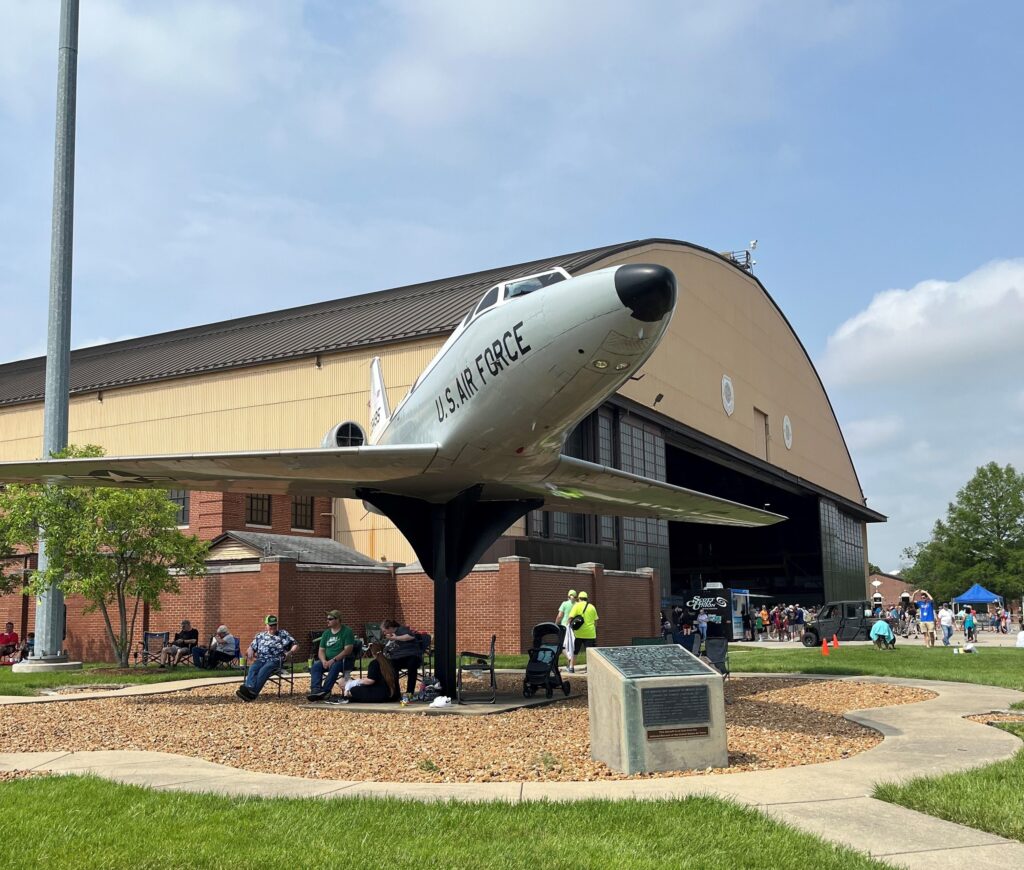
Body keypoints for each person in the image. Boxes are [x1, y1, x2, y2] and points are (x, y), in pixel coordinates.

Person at [236, 615, 298, 702]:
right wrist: (250, 649)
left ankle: (253, 693)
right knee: (253, 668)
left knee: (264, 669)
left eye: (275, 625)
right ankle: (249, 688)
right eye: (271, 625)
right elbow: (251, 648)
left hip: (276, 659)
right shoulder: (260, 636)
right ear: (266, 625)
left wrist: (290, 652)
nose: (273, 627)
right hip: (261, 659)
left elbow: (295, 645)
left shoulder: (283, 634)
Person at [308, 610, 355, 701]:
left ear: (338, 620)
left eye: (330, 619)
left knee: (335, 665)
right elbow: (321, 650)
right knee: (316, 666)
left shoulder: (347, 631)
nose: (327, 621)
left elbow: (347, 650)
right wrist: (323, 661)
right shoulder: (326, 633)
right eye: (327, 619)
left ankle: (325, 691)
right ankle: (316, 690)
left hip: (344, 661)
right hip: (328, 660)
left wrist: (333, 660)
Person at [382, 619, 422, 694]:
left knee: (412, 664)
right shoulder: (390, 636)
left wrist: (396, 638)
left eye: (384, 631)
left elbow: (410, 636)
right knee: (391, 665)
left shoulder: (402, 629)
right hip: (398, 657)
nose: (384, 633)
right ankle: (396, 693)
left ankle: (409, 692)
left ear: (390, 628)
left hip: (411, 655)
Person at [566, 590, 598, 671]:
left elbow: (570, 618)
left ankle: (571, 667)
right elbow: (596, 621)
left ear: (579, 598)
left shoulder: (576, 606)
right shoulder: (592, 607)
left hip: (578, 634)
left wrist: (567, 627)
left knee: (575, 651)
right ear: (586, 598)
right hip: (590, 634)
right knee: (590, 653)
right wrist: (593, 629)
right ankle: (589, 668)